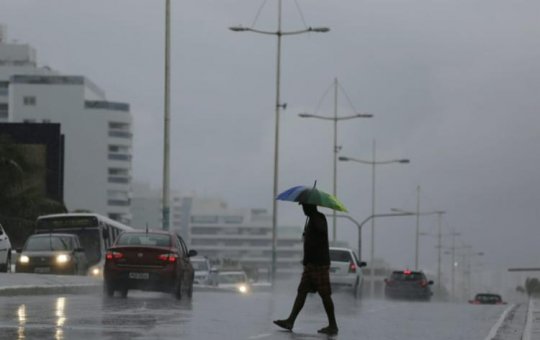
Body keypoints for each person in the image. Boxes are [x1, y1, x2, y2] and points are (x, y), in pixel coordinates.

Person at [273, 204, 338, 335]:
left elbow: (321, 230)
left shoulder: (318, 218)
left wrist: (313, 223)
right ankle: (290, 321)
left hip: (319, 264)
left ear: (310, 207)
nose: (303, 209)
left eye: (304, 206)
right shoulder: (311, 220)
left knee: (325, 295)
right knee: (301, 291)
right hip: (310, 264)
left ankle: (333, 325)